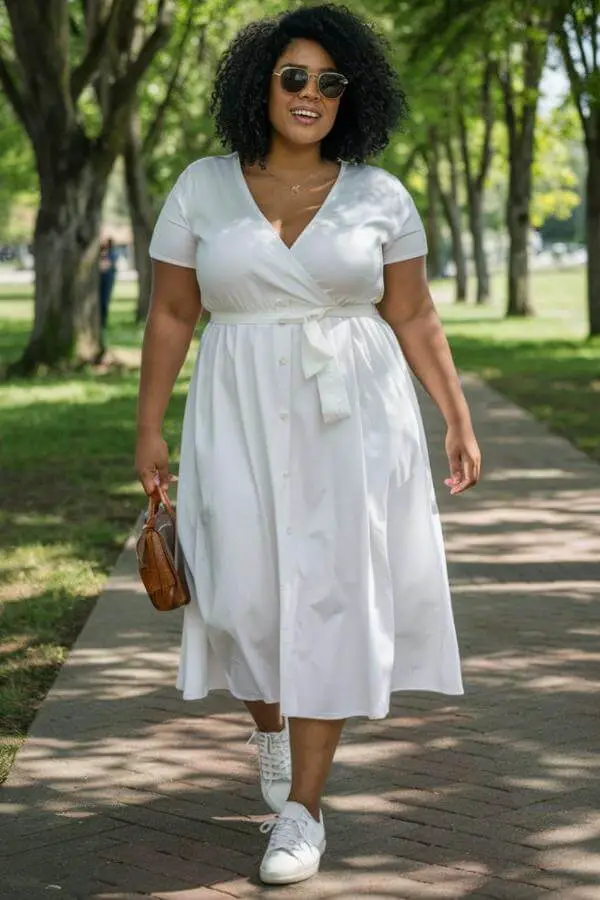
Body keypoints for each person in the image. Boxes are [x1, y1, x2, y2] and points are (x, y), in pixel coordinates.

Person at [135, 3, 481, 886]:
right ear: (262, 84)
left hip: (353, 411)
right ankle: (271, 725)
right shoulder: (201, 186)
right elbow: (175, 312)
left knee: (330, 591)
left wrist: (456, 412)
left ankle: (303, 812)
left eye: (331, 82)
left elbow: (411, 310)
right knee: (241, 594)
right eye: (295, 76)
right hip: (237, 403)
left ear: (349, 98)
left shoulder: (380, 192)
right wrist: (148, 426)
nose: (311, 94)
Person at [99, 237, 117, 336]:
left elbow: (106, 267)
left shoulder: (110, 255)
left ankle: (103, 323)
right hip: (105, 283)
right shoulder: (105, 255)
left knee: (104, 303)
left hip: (107, 283)